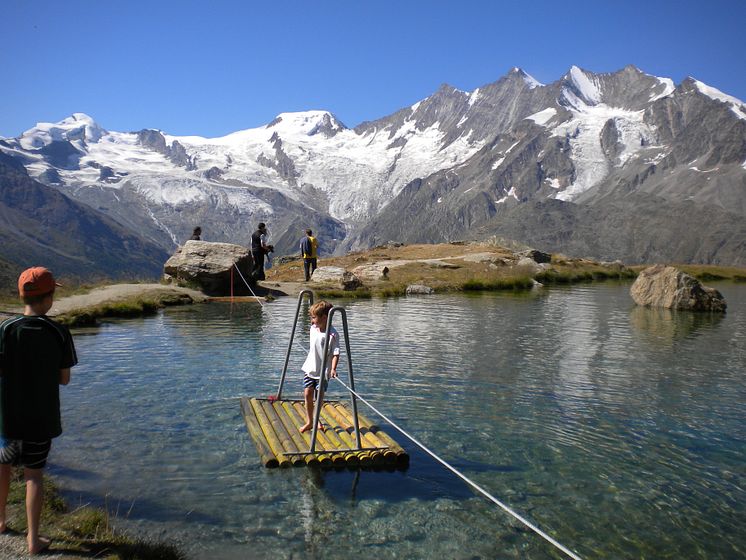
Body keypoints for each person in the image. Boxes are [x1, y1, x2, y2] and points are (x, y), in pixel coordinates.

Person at [0, 267, 77, 555]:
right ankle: (33, 540)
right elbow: (64, 378)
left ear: (21, 295)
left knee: (3, 467)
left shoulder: (6, 329)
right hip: (41, 418)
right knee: (33, 476)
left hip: (8, 415)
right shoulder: (58, 331)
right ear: (50, 298)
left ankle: (1, 520)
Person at [300, 301, 339, 433]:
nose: (311, 320)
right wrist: (314, 312)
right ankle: (310, 421)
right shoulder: (313, 328)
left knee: (319, 398)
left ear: (324, 318)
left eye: (314, 317)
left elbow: (335, 353)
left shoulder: (332, 334)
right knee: (307, 394)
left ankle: (316, 420)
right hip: (310, 368)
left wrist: (333, 369)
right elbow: (314, 319)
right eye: (311, 317)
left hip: (323, 372)